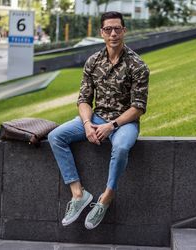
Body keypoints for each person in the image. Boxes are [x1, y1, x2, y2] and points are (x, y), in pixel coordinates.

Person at [48, 11, 149, 230]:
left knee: (121, 147)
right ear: (101, 32)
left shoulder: (137, 65)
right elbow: (84, 100)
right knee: (56, 136)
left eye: (117, 29)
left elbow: (138, 107)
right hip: (95, 118)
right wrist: (86, 124)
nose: (113, 33)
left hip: (124, 123)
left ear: (124, 31)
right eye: (108, 29)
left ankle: (106, 197)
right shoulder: (93, 62)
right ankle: (78, 194)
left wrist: (111, 125)